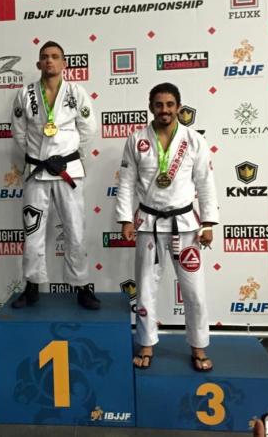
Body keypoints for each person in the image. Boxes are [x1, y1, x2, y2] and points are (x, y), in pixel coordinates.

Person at [115, 82, 219, 369]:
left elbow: (205, 183)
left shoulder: (194, 140)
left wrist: (208, 223)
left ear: (179, 107)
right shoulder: (137, 140)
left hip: (185, 226)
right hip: (148, 224)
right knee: (145, 289)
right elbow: (126, 183)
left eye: (170, 104)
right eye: (159, 104)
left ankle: (198, 346)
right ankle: (146, 344)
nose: (165, 110)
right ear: (151, 107)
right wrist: (125, 219)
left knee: (194, 292)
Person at [10, 41, 99, 309]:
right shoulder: (25, 93)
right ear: (39, 63)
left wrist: (70, 157)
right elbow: (19, 131)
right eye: (45, 57)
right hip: (37, 171)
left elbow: (88, 129)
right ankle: (32, 284)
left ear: (64, 63)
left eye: (55, 56)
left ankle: (81, 285)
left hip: (67, 171)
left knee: (75, 229)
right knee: (33, 229)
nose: (50, 60)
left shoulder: (76, 92)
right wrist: (37, 156)